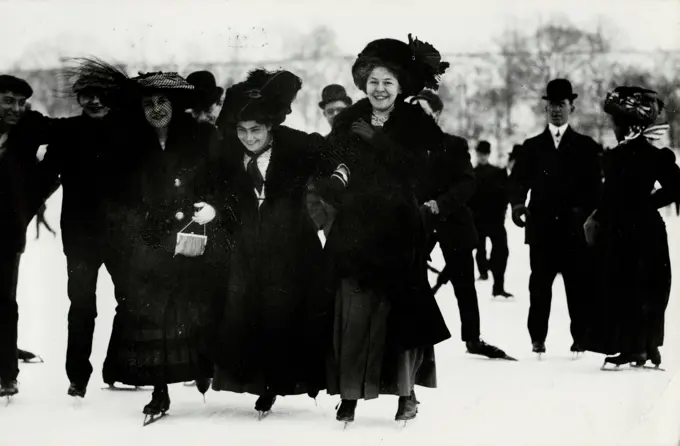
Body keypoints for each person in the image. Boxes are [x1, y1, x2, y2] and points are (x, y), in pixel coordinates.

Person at [73, 62, 219, 422]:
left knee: (191, 310)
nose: (156, 109)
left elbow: (221, 182)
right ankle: (159, 391)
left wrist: (211, 208)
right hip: (146, 242)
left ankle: (200, 369)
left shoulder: (202, 137)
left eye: (162, 101)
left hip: (191, 237)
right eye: (148, 103)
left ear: (175, 103)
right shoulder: (126, 142)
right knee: (153, 316)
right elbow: (113, 195)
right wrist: (133, 230)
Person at [323, 35, 451, 424]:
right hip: (354, 232)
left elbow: (422, 171)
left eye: (388, 83)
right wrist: (337, 176)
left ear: (400, 87)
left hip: (398, 232)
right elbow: (336, 159)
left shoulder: (415, 123)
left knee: (400, 313)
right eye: (374, 82)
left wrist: (380, 142)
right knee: (354, 311)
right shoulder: (348, 120)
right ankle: (349, 394)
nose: (380, 89)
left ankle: (406, 394)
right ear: (363, 84)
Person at [209, 69, 341, 418]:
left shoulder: (297, 145)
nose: (248, 138)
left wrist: (339, 178)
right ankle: (260, 382)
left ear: (270, 129)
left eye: (256, 130)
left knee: (287, 313)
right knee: (248, 311)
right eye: (242, 131)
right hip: (249, 245)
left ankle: (291, 380)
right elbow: (215, 189)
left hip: (292, 245)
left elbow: (334, 159)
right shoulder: (228, 153)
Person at [40, 64, 135, 397]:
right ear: (79, 98)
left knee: (131, 299)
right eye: (87, 95)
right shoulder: (67, 133)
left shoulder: (130, 131)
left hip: (122, 235)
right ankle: (77, 377)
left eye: (101, 94)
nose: (94, 101)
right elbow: (44, 176)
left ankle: (118, 368)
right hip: (80, 236)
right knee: (81, 305)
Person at [583, 86, 680, 370]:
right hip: (649, 231)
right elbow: (677, 188)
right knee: (650, 288)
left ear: (627, 125)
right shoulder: (656, 155)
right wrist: (649, 203)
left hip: (622, 233)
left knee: (623, 287)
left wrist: (598, 218)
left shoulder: (615, 158)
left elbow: (610, 197)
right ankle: (648, 346)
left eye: (615, 123)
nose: (612, 128)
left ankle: (631, 348)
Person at [412, 90, 514, 360]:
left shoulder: (454, 145)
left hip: (452, 223)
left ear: (436, 114)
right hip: (418, 223)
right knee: (408, 278)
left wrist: (440, 204)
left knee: (463, 285)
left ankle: (472, 339)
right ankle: (412, 338)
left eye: (421, 112)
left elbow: (468, 183)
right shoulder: (404, 149)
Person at [509, 79, 602, 357]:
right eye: (551, 105)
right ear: (545, 108)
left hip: (575, 231)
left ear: (571, 107)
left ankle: (581, 339)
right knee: (539, 288)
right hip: (541, 230)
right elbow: (516, 182)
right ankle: (537, 339)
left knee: (578, 288)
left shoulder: (586, 146)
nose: (556, 110)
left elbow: (596, 189)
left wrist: (587, 216)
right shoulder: (531, 146)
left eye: (561, 105)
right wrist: (516, 205)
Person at [0, 75, 51, 398]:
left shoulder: (28, 129)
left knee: (4, 303)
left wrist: (25, 211)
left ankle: (7, 375)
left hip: (5, 234)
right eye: (8, 101)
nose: (16, 109)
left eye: (21, 102)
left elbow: (67, 134)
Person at [306, 84, 353, 238]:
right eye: (330, 111)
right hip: (336, 228)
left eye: (341, 110)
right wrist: (323, 220)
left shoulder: (366, 139)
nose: (336, 115)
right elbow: (310, 189)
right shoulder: (321, 147)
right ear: (325, 115)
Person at [469, 140, 512, 297]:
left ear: (488, 154)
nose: (482, 157)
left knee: (501, 252)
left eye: (484, 154)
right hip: (478, 221)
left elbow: (505, 195)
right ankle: (485, 272)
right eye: (480, 154)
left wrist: (502, 211)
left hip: (494, 220)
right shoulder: (471, 174)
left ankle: (498, 286)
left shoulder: (497, 173)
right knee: (480, 249)